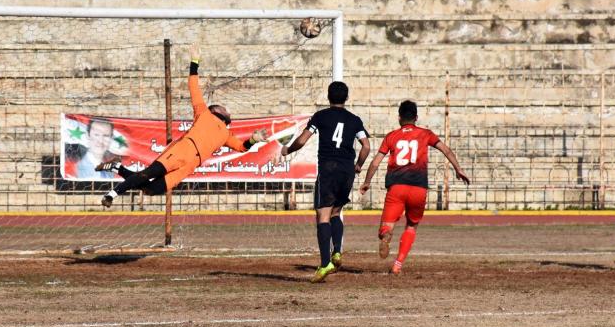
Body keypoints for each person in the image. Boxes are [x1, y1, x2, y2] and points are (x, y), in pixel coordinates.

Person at [96, 45, 266, 207]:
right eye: (223, 107)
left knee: (150, 189)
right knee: (147, 173)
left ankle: (117, 166)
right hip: (183, 150)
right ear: (215, 110)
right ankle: (111, 195)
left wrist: (253, 139)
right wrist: (195, 61)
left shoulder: (227, 135)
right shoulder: (204, 112)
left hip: (191, 164)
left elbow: (243, 147)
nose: (227, 110)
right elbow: (193, 87)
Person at [358, 101, 470, 275]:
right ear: (416, 118)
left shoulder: (391, 136)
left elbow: (375, 162)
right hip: (418, 188)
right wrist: (458, 169)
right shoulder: (426, 134)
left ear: (399, 117)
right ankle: (397, 265)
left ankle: (386, 234)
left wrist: (367, 181)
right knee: (411, 225)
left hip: (397, 187)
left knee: (386, 227)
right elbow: (446, 150)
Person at [280, 81, 371, 283]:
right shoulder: (355, 120)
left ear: (328, 97)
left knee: (322, 215)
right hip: (347, 170)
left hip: (329, 169)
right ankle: (336, 251)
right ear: (346, 98)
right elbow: (366, 146)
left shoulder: (320, 116)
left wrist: (287, 149)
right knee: (336, 212)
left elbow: (302, 141)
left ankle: (324, 264)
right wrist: (358, 165)